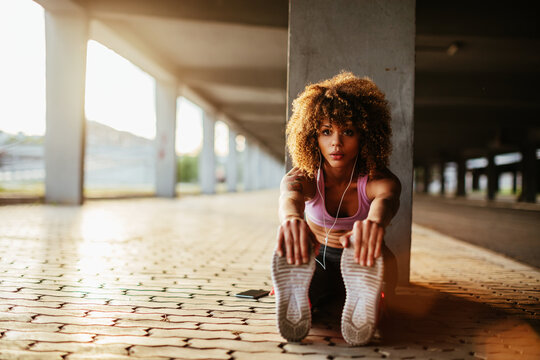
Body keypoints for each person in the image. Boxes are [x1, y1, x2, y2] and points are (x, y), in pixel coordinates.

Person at [271, 71, 401, 346]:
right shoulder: (304, 176)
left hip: (363, 258)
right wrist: (292, 219)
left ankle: (374, 299)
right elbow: (289, 196)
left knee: (379, 283)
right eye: (326, 132)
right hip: (316, 257)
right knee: (312, 296)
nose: (336, 143)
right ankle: (301, 294)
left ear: (366, 136)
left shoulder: (378, 179)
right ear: (312, 136)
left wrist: (374, 224)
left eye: (348, 132)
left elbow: (387, 199)